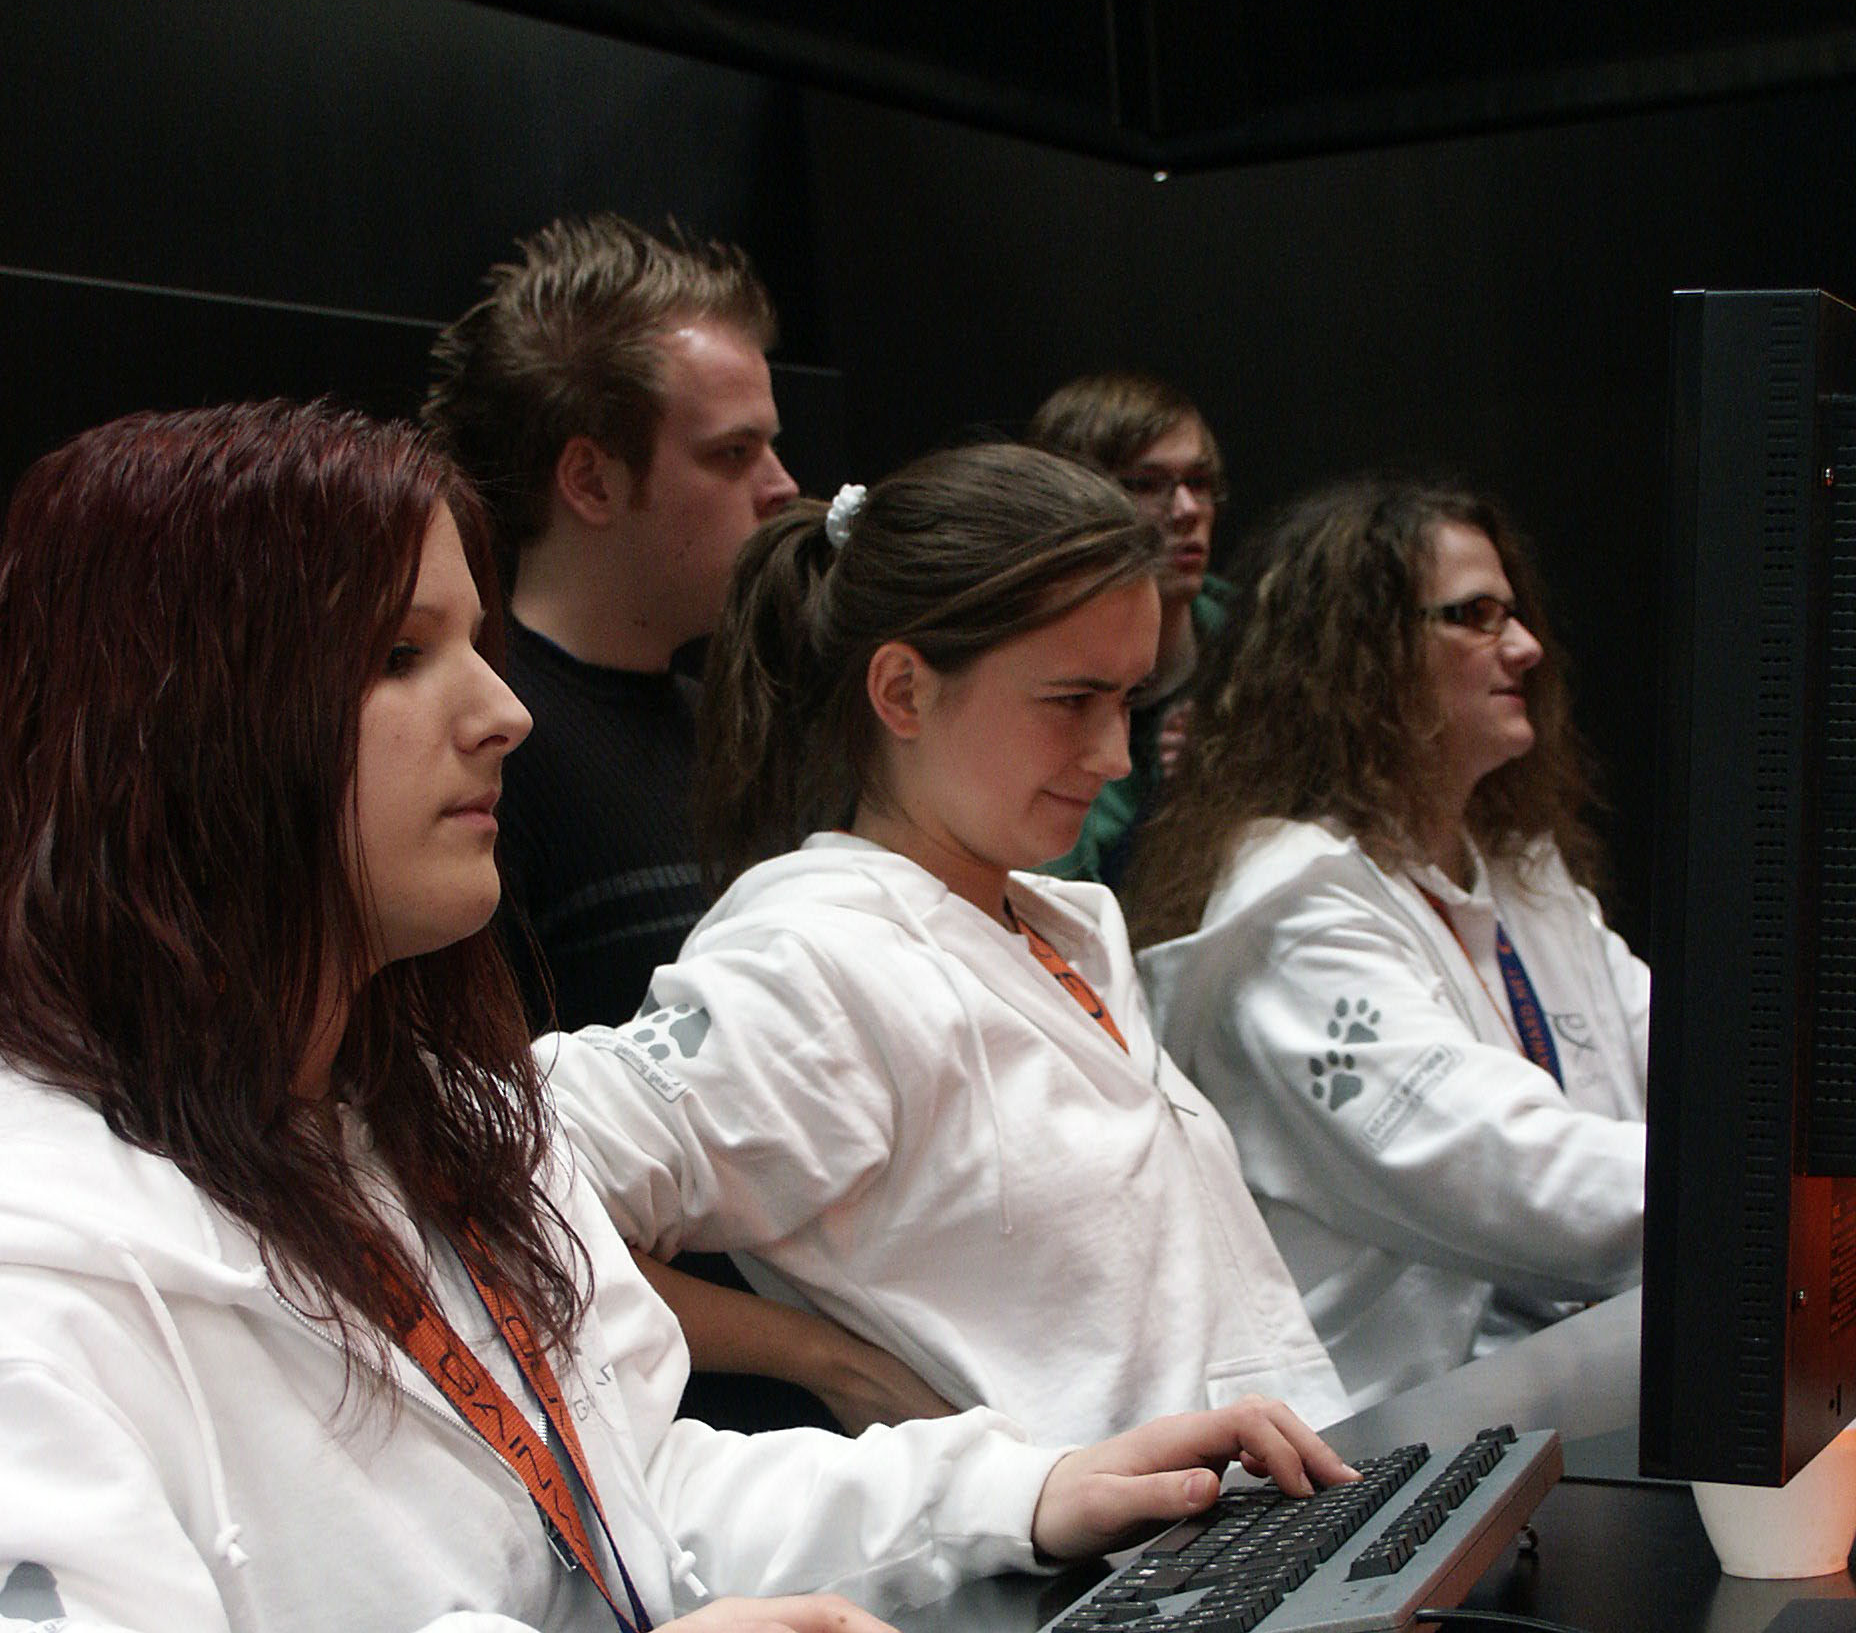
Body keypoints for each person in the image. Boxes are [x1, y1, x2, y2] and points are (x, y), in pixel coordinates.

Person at [0, 401, 1349, 1633]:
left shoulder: (431, 1126)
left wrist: (1017, 1486)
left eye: (476, 644)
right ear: (174, 727)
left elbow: (634, 1497)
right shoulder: (43, 1232)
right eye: (400, 657)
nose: (503, 712)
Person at [541, 442, 1350, 1448]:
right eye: (1072, 702)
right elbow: (504, 1190)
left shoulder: (1066, 923)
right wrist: (824, 1358)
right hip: (1091, 1538)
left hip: (1279, 1493)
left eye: (1127, 702)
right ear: (904, 693)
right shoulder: (812, 956)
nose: (1113, 755)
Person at [1130, 477, 1648, 1409]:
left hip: (1550, 1391)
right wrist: (1792, 1197)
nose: (1526, 647)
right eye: (1476, 616)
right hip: (1373, 1449)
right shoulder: (1288, 920)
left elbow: (1690, 1078)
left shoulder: (1520, 874)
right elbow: (1517, 1179)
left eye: (1514, 613)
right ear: (1361, 656)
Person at [422, 213, 799, 1032]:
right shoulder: (481, 747)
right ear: (592, 480)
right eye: (733, 453)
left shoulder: (735, 727)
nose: (782, 488)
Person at [1026, 371, 1232, 886]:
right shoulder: (1028, 683)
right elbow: (1059, 910)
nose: (1186, 511)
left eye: (1199, 482)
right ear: (1071, 504)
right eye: (1145, 484)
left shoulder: (1261, 646)